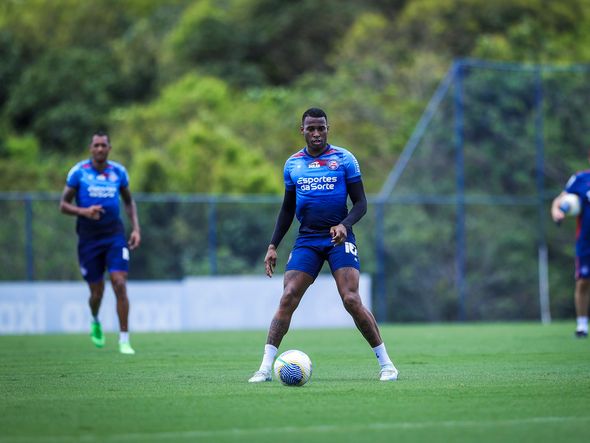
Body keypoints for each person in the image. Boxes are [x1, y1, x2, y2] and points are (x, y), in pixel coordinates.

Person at [248, 108, 399, 382]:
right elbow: (286, 210)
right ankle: (264, 368)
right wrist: (272, 245)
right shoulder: (292, 164)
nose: (316, 133)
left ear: (328, 128)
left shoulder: (344, 159)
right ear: (302, 130)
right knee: (288, 297)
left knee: (351, 299)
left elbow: (361, 203)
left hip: (338, 237)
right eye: (311, 129)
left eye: (321, 128)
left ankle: (387, 364)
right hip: (307, 239)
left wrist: (345, 225)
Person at [59, 131, 141, 354]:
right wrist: (84, 211)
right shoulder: (79, 173)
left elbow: (128, 201)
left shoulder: (118, 172)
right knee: (97, 293)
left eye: (104, 145)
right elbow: (63, 205)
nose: (100, 149)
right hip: (88, 240)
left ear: (109, 148)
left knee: (120, 283)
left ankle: (124, 340)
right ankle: (95, 319)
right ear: (90, 148)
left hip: (114, 236)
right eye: (96, 145)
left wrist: (136, 228)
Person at [551, 169, 590, 338]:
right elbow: (560, 200)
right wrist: (557, 210)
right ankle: (582, 326)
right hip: (586, 241)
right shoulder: (580, 179)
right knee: (583, 281)